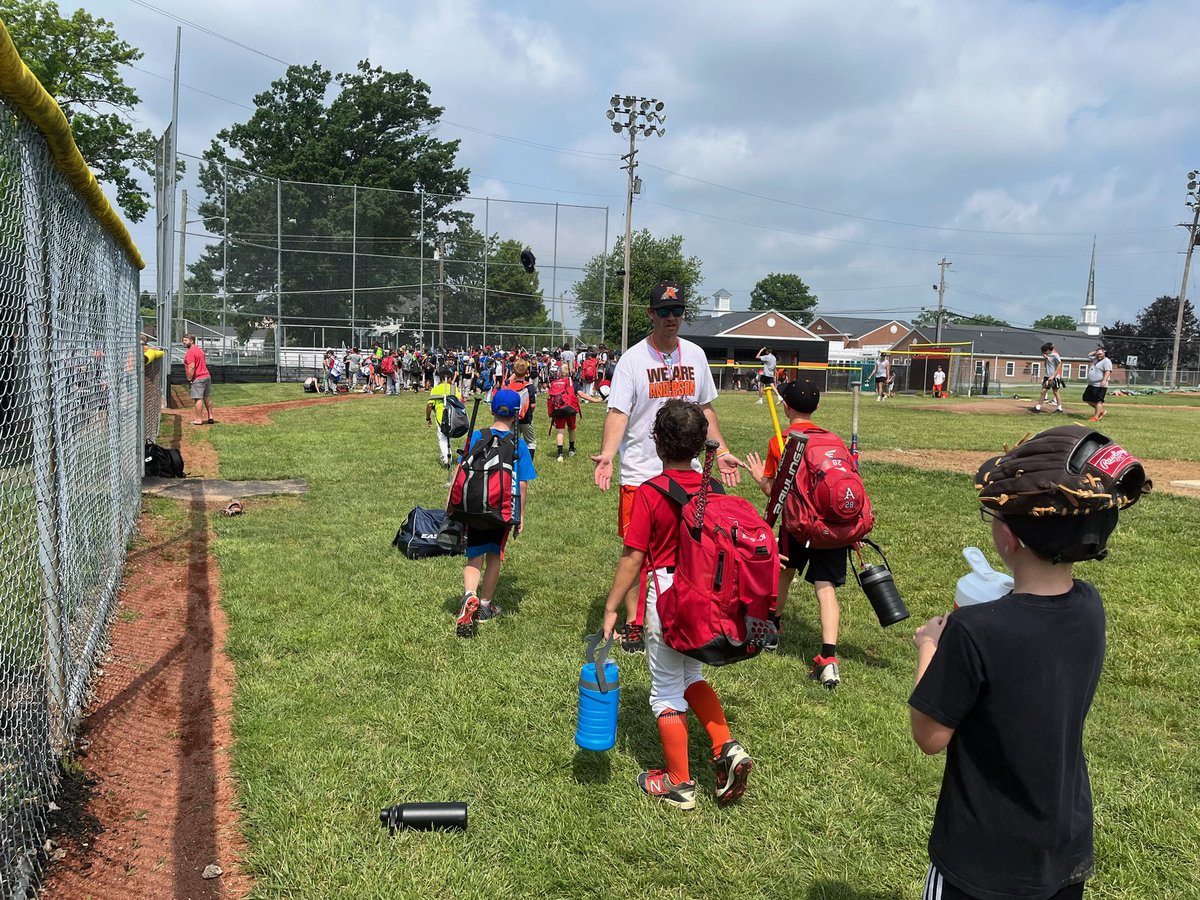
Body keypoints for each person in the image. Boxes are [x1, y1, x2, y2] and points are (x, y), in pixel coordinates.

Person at [909, 425, 1150, 900]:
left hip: (981, 858)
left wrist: (928, 647)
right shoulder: (1089, 605)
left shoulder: (973, 630)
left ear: (1008, 537)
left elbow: (929, 737)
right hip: (1062, 848)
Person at [600, 400, 752, 810]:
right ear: (701, 443)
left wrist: (613, 607)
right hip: (708, 595)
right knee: (691, 674)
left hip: (668, 593)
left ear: (657, 443)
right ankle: (726, 746)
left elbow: (633, 557)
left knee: (666, 689)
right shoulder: (713, 488)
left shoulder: (650, 493)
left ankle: (679, 783)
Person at [592, 280, 742, 653]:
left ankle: (684, 614)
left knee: (689, 548)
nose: (671, 318)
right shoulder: (633, 359)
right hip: (641, 473)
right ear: (650, 314)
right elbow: (618, 412)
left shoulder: (696, 355)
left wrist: (722, 449)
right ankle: (634, 624)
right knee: (638, 552)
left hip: (686, 473)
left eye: (677, 311)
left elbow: (706, 408)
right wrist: (608, 454)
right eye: (663, 311)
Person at [744, 380, 848, 687]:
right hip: (831, 525)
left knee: (784, 573)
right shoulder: (834, 439)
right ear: (817, 407)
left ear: (785, 407)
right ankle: (828, 658)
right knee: (825, 588)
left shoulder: (781, 441)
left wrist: (758, 478)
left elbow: (775, 493)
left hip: (798, 524)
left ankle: (772, 630)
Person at [455, 389, 536, 638]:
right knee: (494, 557)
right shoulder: (518, 444)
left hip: (475, 508)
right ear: (517, 415)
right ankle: (485, 605)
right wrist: (520, 515)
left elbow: (462, 469)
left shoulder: (477, 436)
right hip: (502, 510)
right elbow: (522, 484)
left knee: (474, 557)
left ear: (492, 410)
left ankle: (470, 595)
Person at [546, 364, 602, 462]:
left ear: (559, 373)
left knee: (560, 431)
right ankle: (571, 449)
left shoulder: (555, 384)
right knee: (571, 429)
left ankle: (560, 454)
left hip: (558, 409)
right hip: (570, 409)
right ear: (570, 372)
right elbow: (582, 395)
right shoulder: (573, 384)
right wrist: (595, 400)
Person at [425, 368, 461, 466]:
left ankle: (446, 458)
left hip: (441, 416)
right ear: (449, 378)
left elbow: (429, 405)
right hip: (453, 416)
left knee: (442, 437)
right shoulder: (453, 389)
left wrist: (428, 418)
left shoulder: (435, 389)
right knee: (447, 437)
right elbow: (459, 402)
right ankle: (444, 456)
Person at [505, 357, 538, 463]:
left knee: (513, 440)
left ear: (514, 371)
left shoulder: (509, 385)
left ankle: (511, 462)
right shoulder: (529, 387)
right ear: (527, 372)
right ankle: (528, 464)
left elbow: (509, 379)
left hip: (512, 418)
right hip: (526, 418)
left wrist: (515, 372)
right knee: (530, 442)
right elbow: (532, 405)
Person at [181, 334, 213, 425]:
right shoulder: (200, 350)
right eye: (183, 340)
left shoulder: (190, 352)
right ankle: (210, 416)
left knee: (198, 398)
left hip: (198, 378)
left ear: (192, 341)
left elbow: (192, 367)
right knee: (207, 397)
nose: (183, 342)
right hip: (206, 376)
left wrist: (189, 378)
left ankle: (198, 419)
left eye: (185, 340)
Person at [1083, 347, 1111, 422]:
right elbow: (1089, 355)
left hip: (1100, 384)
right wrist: (1096, 351)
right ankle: (1100, 411)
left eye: (1100, 354)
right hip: (1092, 384)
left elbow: (1108, 371)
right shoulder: (1095, 360)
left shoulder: (1106, 361)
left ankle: (1096, 417)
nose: (1099, 355)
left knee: (1098, 401)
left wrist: (1104, 380)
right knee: (1086, 398)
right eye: (1097, 354)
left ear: (1104, 353)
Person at [1036, 341, 1065, 413]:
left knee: (1055, 392)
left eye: (1045, 351)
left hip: (1054, 376)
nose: (1044, 352)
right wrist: (1045, 359)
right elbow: (1046, 365)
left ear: (1049, 350)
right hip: (1047, 376)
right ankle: (1037, 407)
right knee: (1043, 391)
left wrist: (1053, 375)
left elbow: (1059, 365)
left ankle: (1059, 408)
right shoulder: (1047, 355)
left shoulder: (1055, 355)